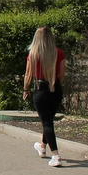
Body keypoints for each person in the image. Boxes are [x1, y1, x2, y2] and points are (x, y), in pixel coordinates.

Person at [23, 26, 66, 167]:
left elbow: (28, 74)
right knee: (48, 120)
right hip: (55, 89)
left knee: (47, 122)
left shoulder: (33, 54)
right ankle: (42, 146)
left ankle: (56, 155)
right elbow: (61, 74)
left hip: (40, 89)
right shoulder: (58, 53)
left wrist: (26, 89)